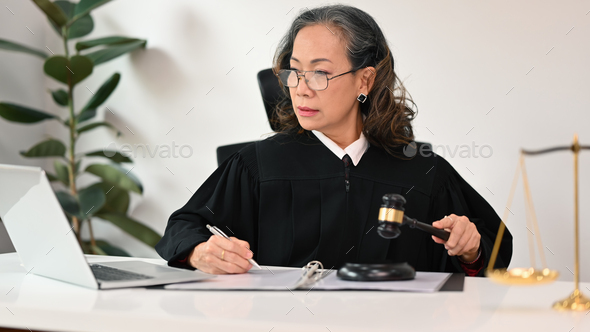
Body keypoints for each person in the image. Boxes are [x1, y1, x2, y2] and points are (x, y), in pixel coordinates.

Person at [155, 5, 512, 276]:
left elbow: (493, 255)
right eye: (294, 71)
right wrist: (201, 251)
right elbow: (182, 227)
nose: (301, 88)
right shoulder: (259, 166)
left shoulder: (423, 172)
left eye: (320, 73)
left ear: (365, 81)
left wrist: (470, 248)